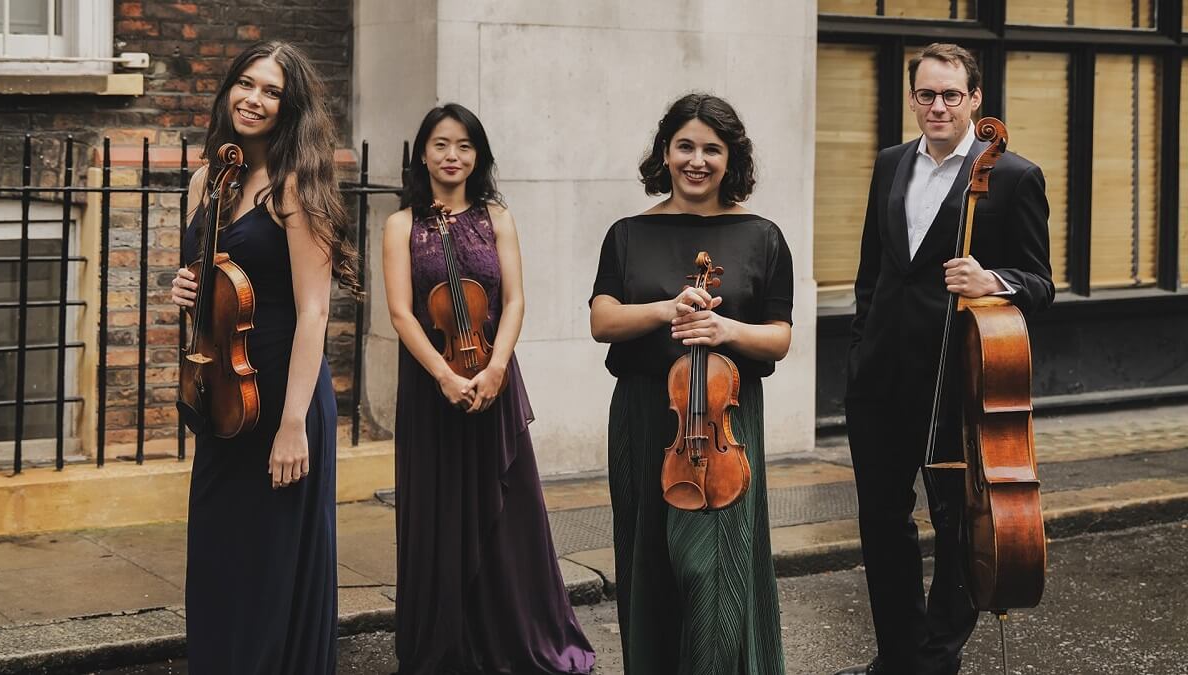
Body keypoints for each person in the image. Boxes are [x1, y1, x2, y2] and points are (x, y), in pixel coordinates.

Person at [833, 43, 1054, 675]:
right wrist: (858, 347)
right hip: (878, 378)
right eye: (926, 94)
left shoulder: (1011, 175)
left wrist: (992, 280)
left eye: (951, 95)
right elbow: (873, 273)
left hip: (957, 379)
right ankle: (899, 654)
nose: (937, 106)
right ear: (912, 97)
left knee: (957, 523)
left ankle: (934, 657)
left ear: (975, 99)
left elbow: (1040, 283)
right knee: (881, 520)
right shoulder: (890, 163)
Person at [382, 103, 595, 674]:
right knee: (437, 513)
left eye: (465, 146)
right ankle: (444, 645)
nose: (453, 156)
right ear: (422, 152)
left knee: (506, 515)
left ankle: (511, 637)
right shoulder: (401, 224)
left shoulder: (496, 216)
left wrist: (496, 366)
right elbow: (402, 314)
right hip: (433, 385)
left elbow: (515, 299)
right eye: (441, 144)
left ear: (479, 156)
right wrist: (445, 375)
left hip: (493, 376)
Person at [589, 93, 794, 675]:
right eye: (685, 146)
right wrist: (667, 310)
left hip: (726, 421)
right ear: (665, 152)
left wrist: (725, 327)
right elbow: (602, 321)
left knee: (714, 571)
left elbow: (779, 338)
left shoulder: (763, 237)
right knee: (648, 565)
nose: (696, 160)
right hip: (645, 415)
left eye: (711, 148)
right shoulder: (627, 233)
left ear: (732, 159)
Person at [169, 40, 357, 674]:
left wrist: (293, 426)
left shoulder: (297, 190)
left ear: (289, 106)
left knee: (275, 567)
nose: (253, 99)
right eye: (246, 84)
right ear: (228, 90)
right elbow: (213, 280)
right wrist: (184, 286)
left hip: (285, 396)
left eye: (271, 91)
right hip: (225, 396)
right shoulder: (206, 180)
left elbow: (313, 312)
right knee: (220, 558)